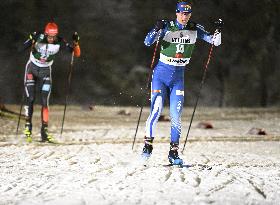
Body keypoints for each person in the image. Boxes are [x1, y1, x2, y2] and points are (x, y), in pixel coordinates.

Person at [142, 1, 223, 165]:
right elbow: (147, 42)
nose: (184, 16)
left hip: (178, 79)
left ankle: (173, 153)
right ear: (176, 13)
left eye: (187, 14)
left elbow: (215, 42)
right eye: (181, 13)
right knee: (156, 111)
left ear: (190, 15)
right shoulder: (167, 26)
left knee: (176, 117)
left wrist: (218, 31)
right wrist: (156, 29)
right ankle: (147, 146)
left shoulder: (195, 28)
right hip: (160, 76)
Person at [23, 22, 81, 143]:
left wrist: (76, 43)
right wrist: (30, 39)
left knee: (45, 102)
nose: (51, 39)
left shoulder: (59, 41)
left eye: (53, 36)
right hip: (32, 69)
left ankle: (44, 133)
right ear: (45, 33)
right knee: (31, 99)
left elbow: (76, 53)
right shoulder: (39, 36)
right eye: (49, 36)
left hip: (45, 72)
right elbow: (22, 47)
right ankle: (28, 127)